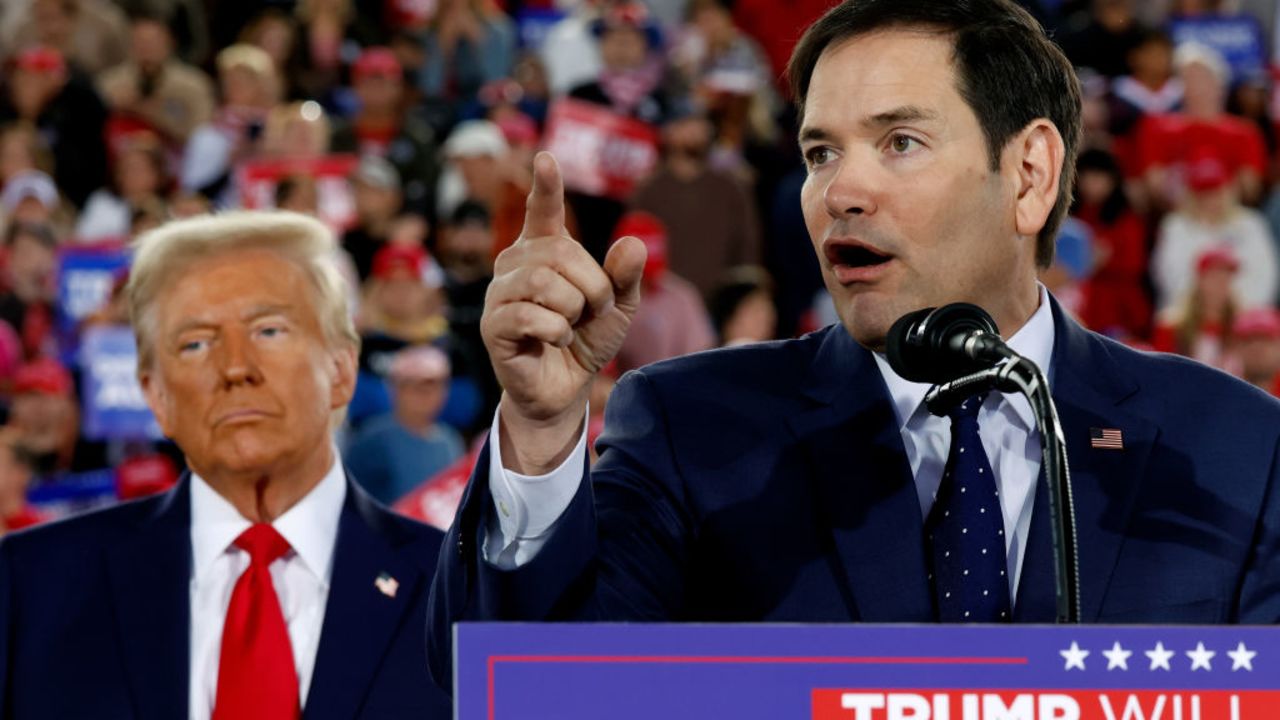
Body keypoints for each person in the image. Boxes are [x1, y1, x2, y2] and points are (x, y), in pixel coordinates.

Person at [427, 0, 1280, 689]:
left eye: (899, 142)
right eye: (820, 151)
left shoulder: (1233, 449)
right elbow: (534, 689)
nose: (841, 190)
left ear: (1029, 175)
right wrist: (539, 435)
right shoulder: (693, 428)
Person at [0, 211, 450, 718]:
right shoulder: (28, 589)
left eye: (269, 330)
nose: (235, 367)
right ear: (157, 396)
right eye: (196, 343)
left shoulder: (459, 591)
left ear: (341, 369)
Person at [344, 344, 464, 505]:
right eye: (415, 386)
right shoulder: (374, 438)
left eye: (436, 385)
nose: (427, 395)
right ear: (396, 388)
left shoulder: (450, 441)